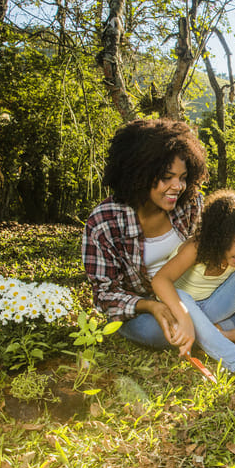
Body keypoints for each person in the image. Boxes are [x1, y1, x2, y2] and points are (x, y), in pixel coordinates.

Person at [82, 118, 207, 352]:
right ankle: (217, 330)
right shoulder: (103, 223)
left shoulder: (190, 203)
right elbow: (105, 294)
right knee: (151, 332)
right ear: (139, 174)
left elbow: (208, 255)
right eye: (167, 177)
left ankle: (202, 327)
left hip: (190, 296)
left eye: (182, 177)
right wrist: (150, 306)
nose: (178, 186)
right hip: (143, 309)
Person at [152, 189, 235, 381]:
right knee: (181, 295)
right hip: (179, 310)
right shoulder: (195, 248)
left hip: (209, 308)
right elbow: (159, 280)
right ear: (222, 235)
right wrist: (185, 317)